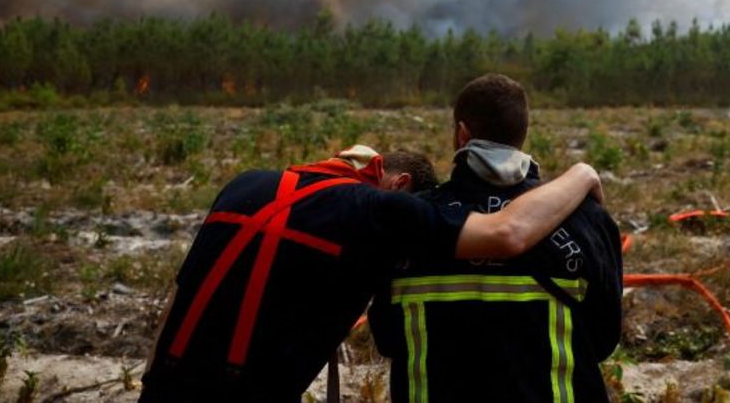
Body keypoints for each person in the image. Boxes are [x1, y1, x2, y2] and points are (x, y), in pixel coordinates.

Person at [139, 142, 603, 402]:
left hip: (161, 388)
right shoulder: (375, 210)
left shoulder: (246, 183)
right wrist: (580, 175)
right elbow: (508, 233)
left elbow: (177, 301)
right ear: (400, 186)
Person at [368, 74, 623, 402]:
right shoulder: (588, 219)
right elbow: (602, 340)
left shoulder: (410, 222)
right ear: (523, 134)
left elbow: (387, 337)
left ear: (462, 133)